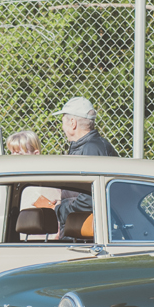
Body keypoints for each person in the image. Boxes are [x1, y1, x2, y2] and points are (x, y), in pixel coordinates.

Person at [54, 97, 116, 236]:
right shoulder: (86, 147)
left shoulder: (91, 149)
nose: (62, 127)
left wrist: (59, 211)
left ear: (73, 123)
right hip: (79, 233)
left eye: (63, 121)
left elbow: (90, 198)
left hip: (85, 238)